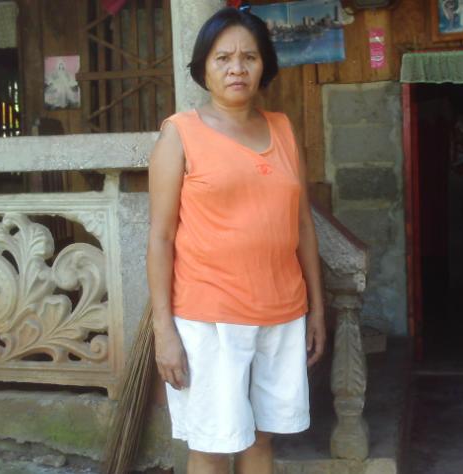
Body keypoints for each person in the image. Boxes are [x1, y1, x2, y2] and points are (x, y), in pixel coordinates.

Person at [146, 7, 325, 474]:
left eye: (249, 57)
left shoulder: (283, 129)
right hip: (210, 318)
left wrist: (317, 309)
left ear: (264, 65)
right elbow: (161, 237)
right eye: (223, 58)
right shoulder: (180, 134)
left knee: (262, 438)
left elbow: (303, 225)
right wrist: (164, 331)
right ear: (203, 67)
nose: (236, 68)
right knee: (211, 445)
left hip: (282, 312)